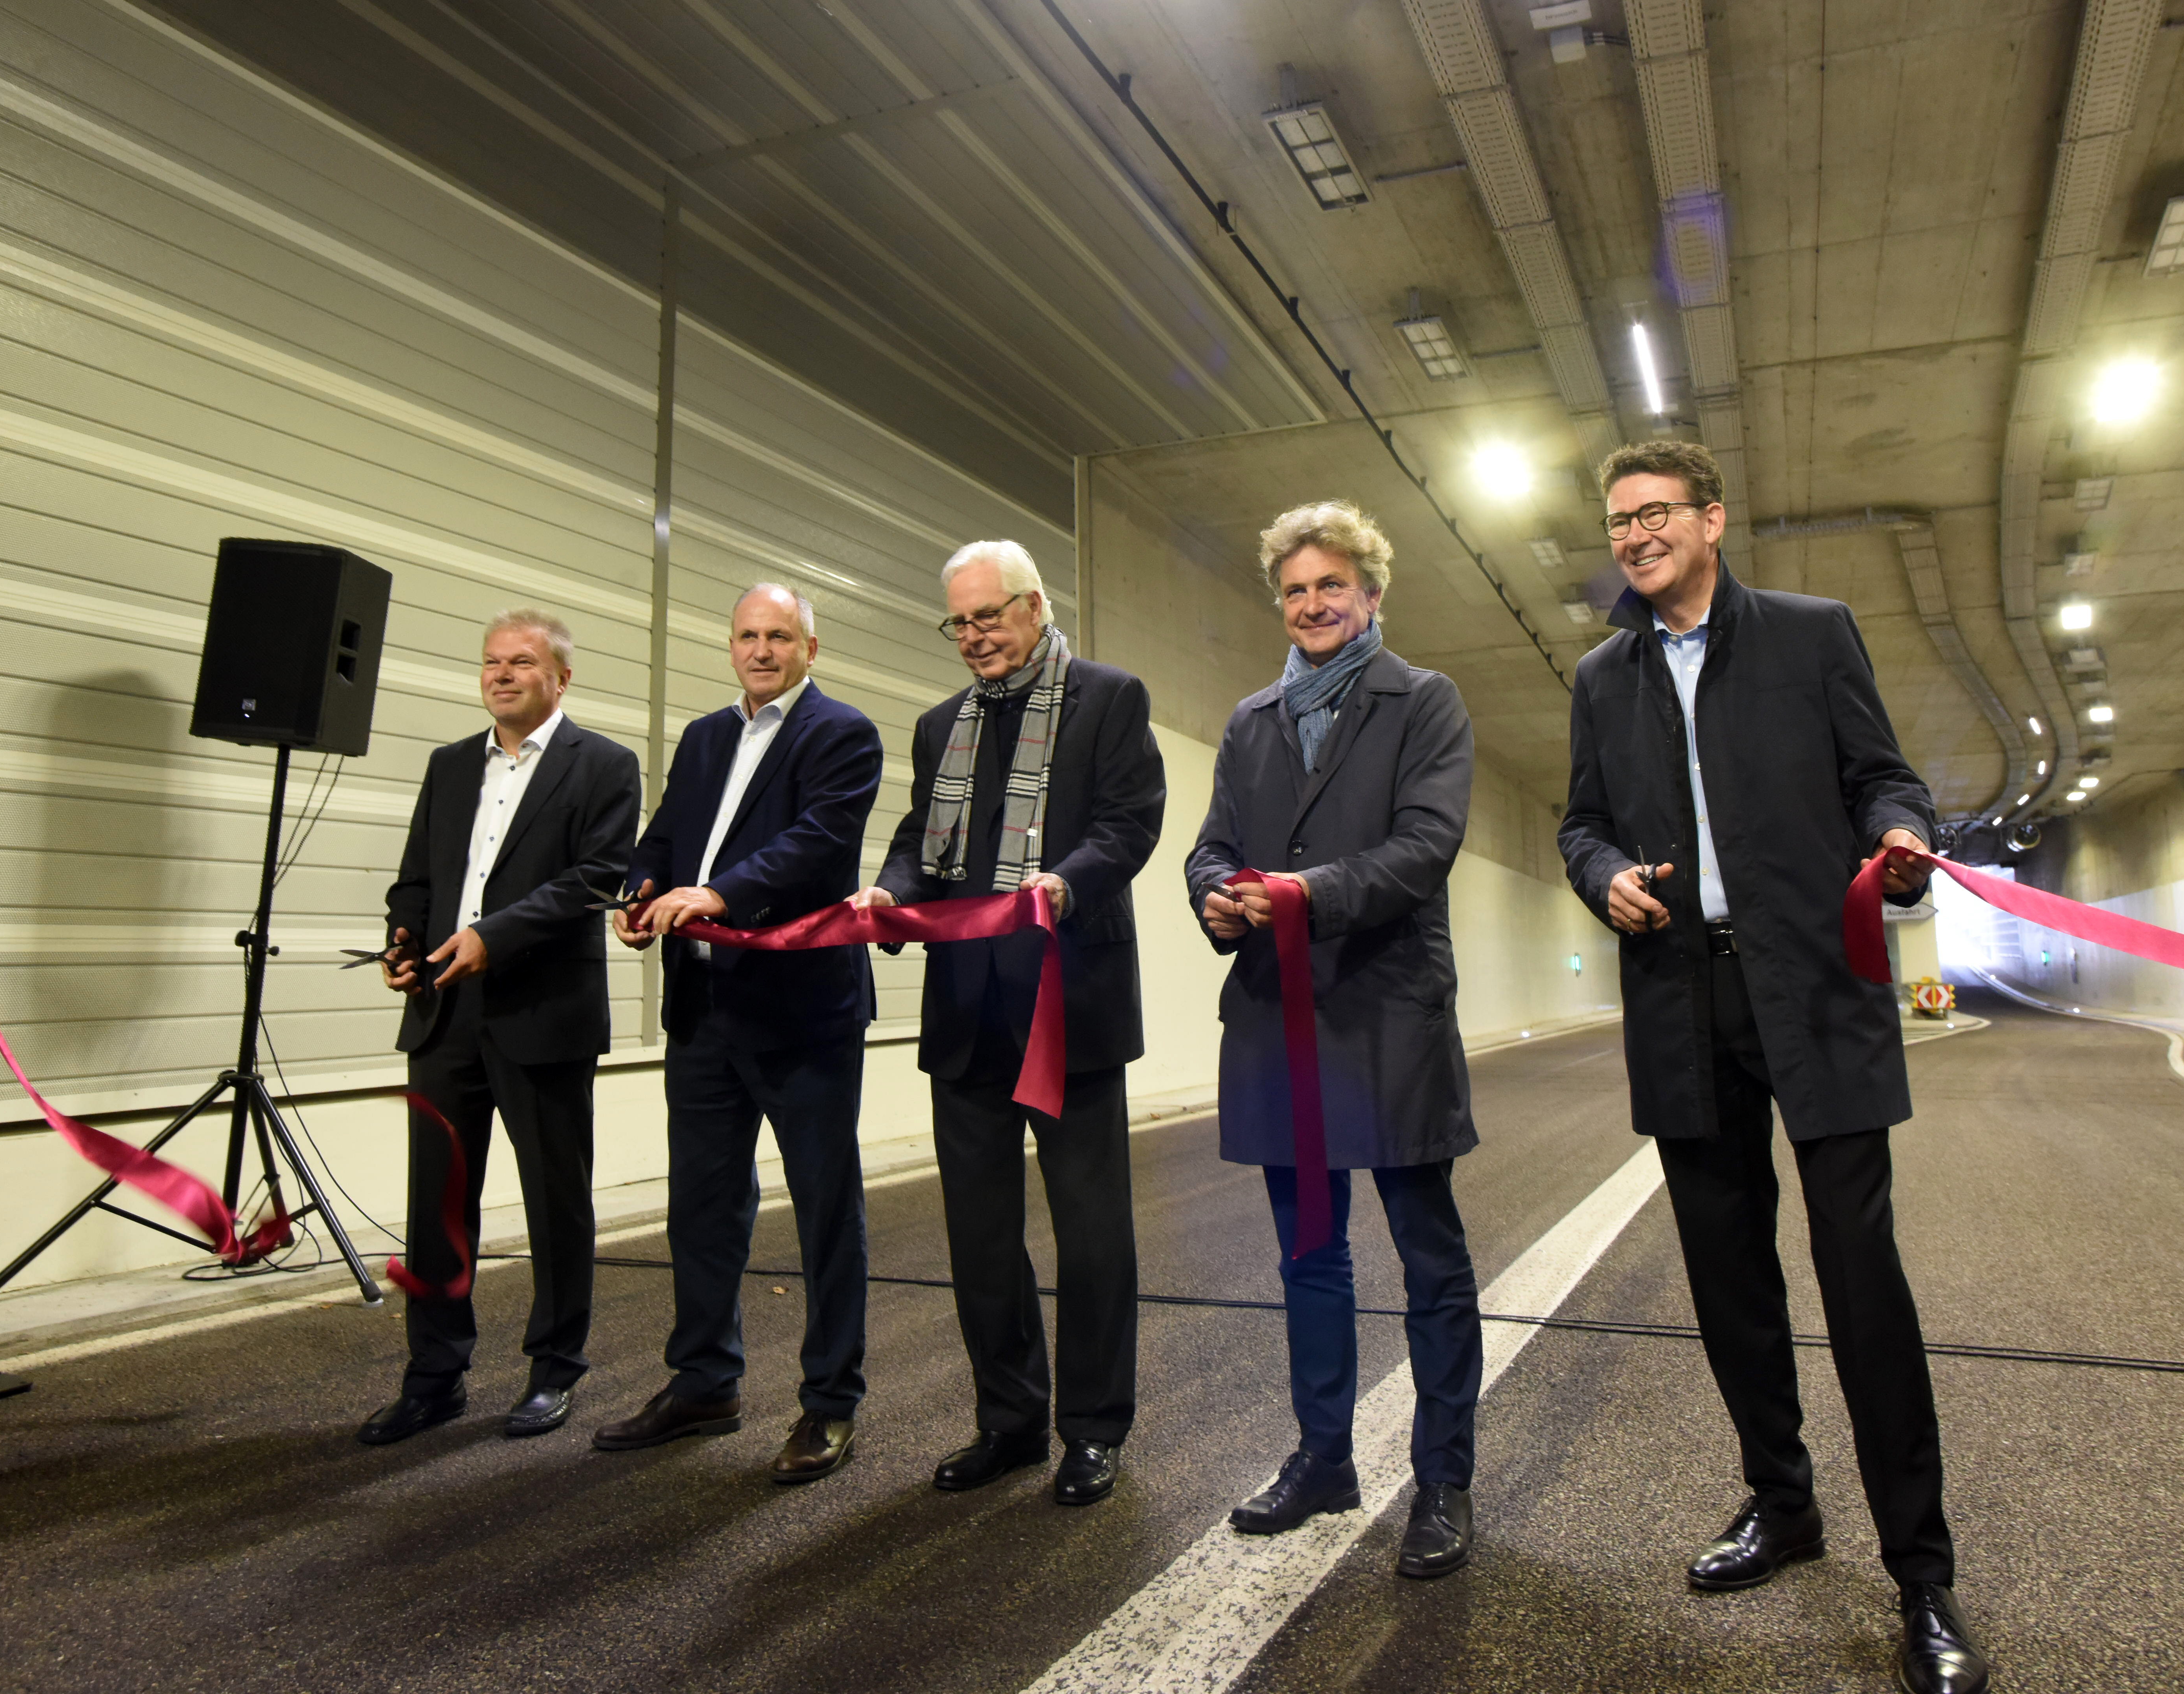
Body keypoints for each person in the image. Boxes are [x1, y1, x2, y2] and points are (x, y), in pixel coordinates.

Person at [1557, 438, 1988, 1694]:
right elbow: (1581, 821)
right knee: (1730, 1275)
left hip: (1816, 985)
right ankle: (1782, 1504)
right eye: (1619, 520)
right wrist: (1602, 875)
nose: (1635, 535)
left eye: (1656, 512)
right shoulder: (1602, 677)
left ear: (1712, 519)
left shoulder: (1812, 633)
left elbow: (1884, 777)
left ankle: (1922, 1576)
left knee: (1862, 1277)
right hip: (1680, 995)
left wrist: (1899, 834)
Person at [1184, 501, 1484, 1581]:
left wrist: (1307, 891)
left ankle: (1442, 1479)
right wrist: (1214, 895)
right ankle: (1324, 1459)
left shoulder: (1424, 701)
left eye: (1331, 586)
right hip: (1284, 1019)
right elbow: (1213, 845)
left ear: (1371, 595)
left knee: (1427, 1254)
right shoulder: (1251, 719)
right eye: (1295, 589)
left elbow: (1426, 845)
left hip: (1387, 1013)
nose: (1312, 604)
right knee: (1309, 1253)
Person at [852, 540, 1163, 1506]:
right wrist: (890, 893)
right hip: (965, 1012)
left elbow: (1128, 822)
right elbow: (920, 840)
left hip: (1069, 1003)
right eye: (959, 620)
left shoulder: (1108, 698)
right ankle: (1009, 1419)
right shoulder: (938, 724)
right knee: (979, 1236)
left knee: (1091, 1232)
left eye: (988, 615)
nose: (973, 635)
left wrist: (1064, 884)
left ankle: (1094, 1428)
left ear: (1034, 606)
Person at [589, 585, 883, 1482]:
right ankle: (704, 1381)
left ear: (809, 648)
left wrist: (716, 893)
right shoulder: (703, 736)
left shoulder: (842, 733)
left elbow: (816, 843)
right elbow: (663, 839)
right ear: (730, 646)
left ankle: (829, 1401)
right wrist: (641, 892)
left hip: (802, 1014)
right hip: (703, 1009)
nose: (761, 649)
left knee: (825, 1209)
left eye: (779, 635)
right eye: (748, 635)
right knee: (702, 1207)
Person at [362, 608, 640, 1445]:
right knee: (437, 1204)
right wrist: (404, 943)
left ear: (561, 677)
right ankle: (434, 1375)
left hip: (542, 1011)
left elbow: (597, 877)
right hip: (444, 1011)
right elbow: (415, 879)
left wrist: (495, 935)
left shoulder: (605, 764)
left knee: (556, 1201)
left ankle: (555, 1370)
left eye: (521, 661)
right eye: (492, 662)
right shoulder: (450, 765)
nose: (502, 674)